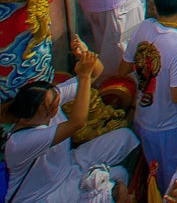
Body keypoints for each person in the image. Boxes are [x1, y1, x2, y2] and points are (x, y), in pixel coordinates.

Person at [3, 39, 138, 203]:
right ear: (27, 118)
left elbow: (97, 72)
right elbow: (77, 123)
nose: (55, 107)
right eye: (49, 108)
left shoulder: (51, 98)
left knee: (124, 137)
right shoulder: (20, 143)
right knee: (119, 178)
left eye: (55, 101)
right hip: (47, 194)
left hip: (69, 164)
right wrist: (84, 75)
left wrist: (86, 57)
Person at [120, 0, 177, 191]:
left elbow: (123, 68)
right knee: (175, 182)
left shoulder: (145, 27)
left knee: (153, 172)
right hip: (172, 127)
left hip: (144, 117)